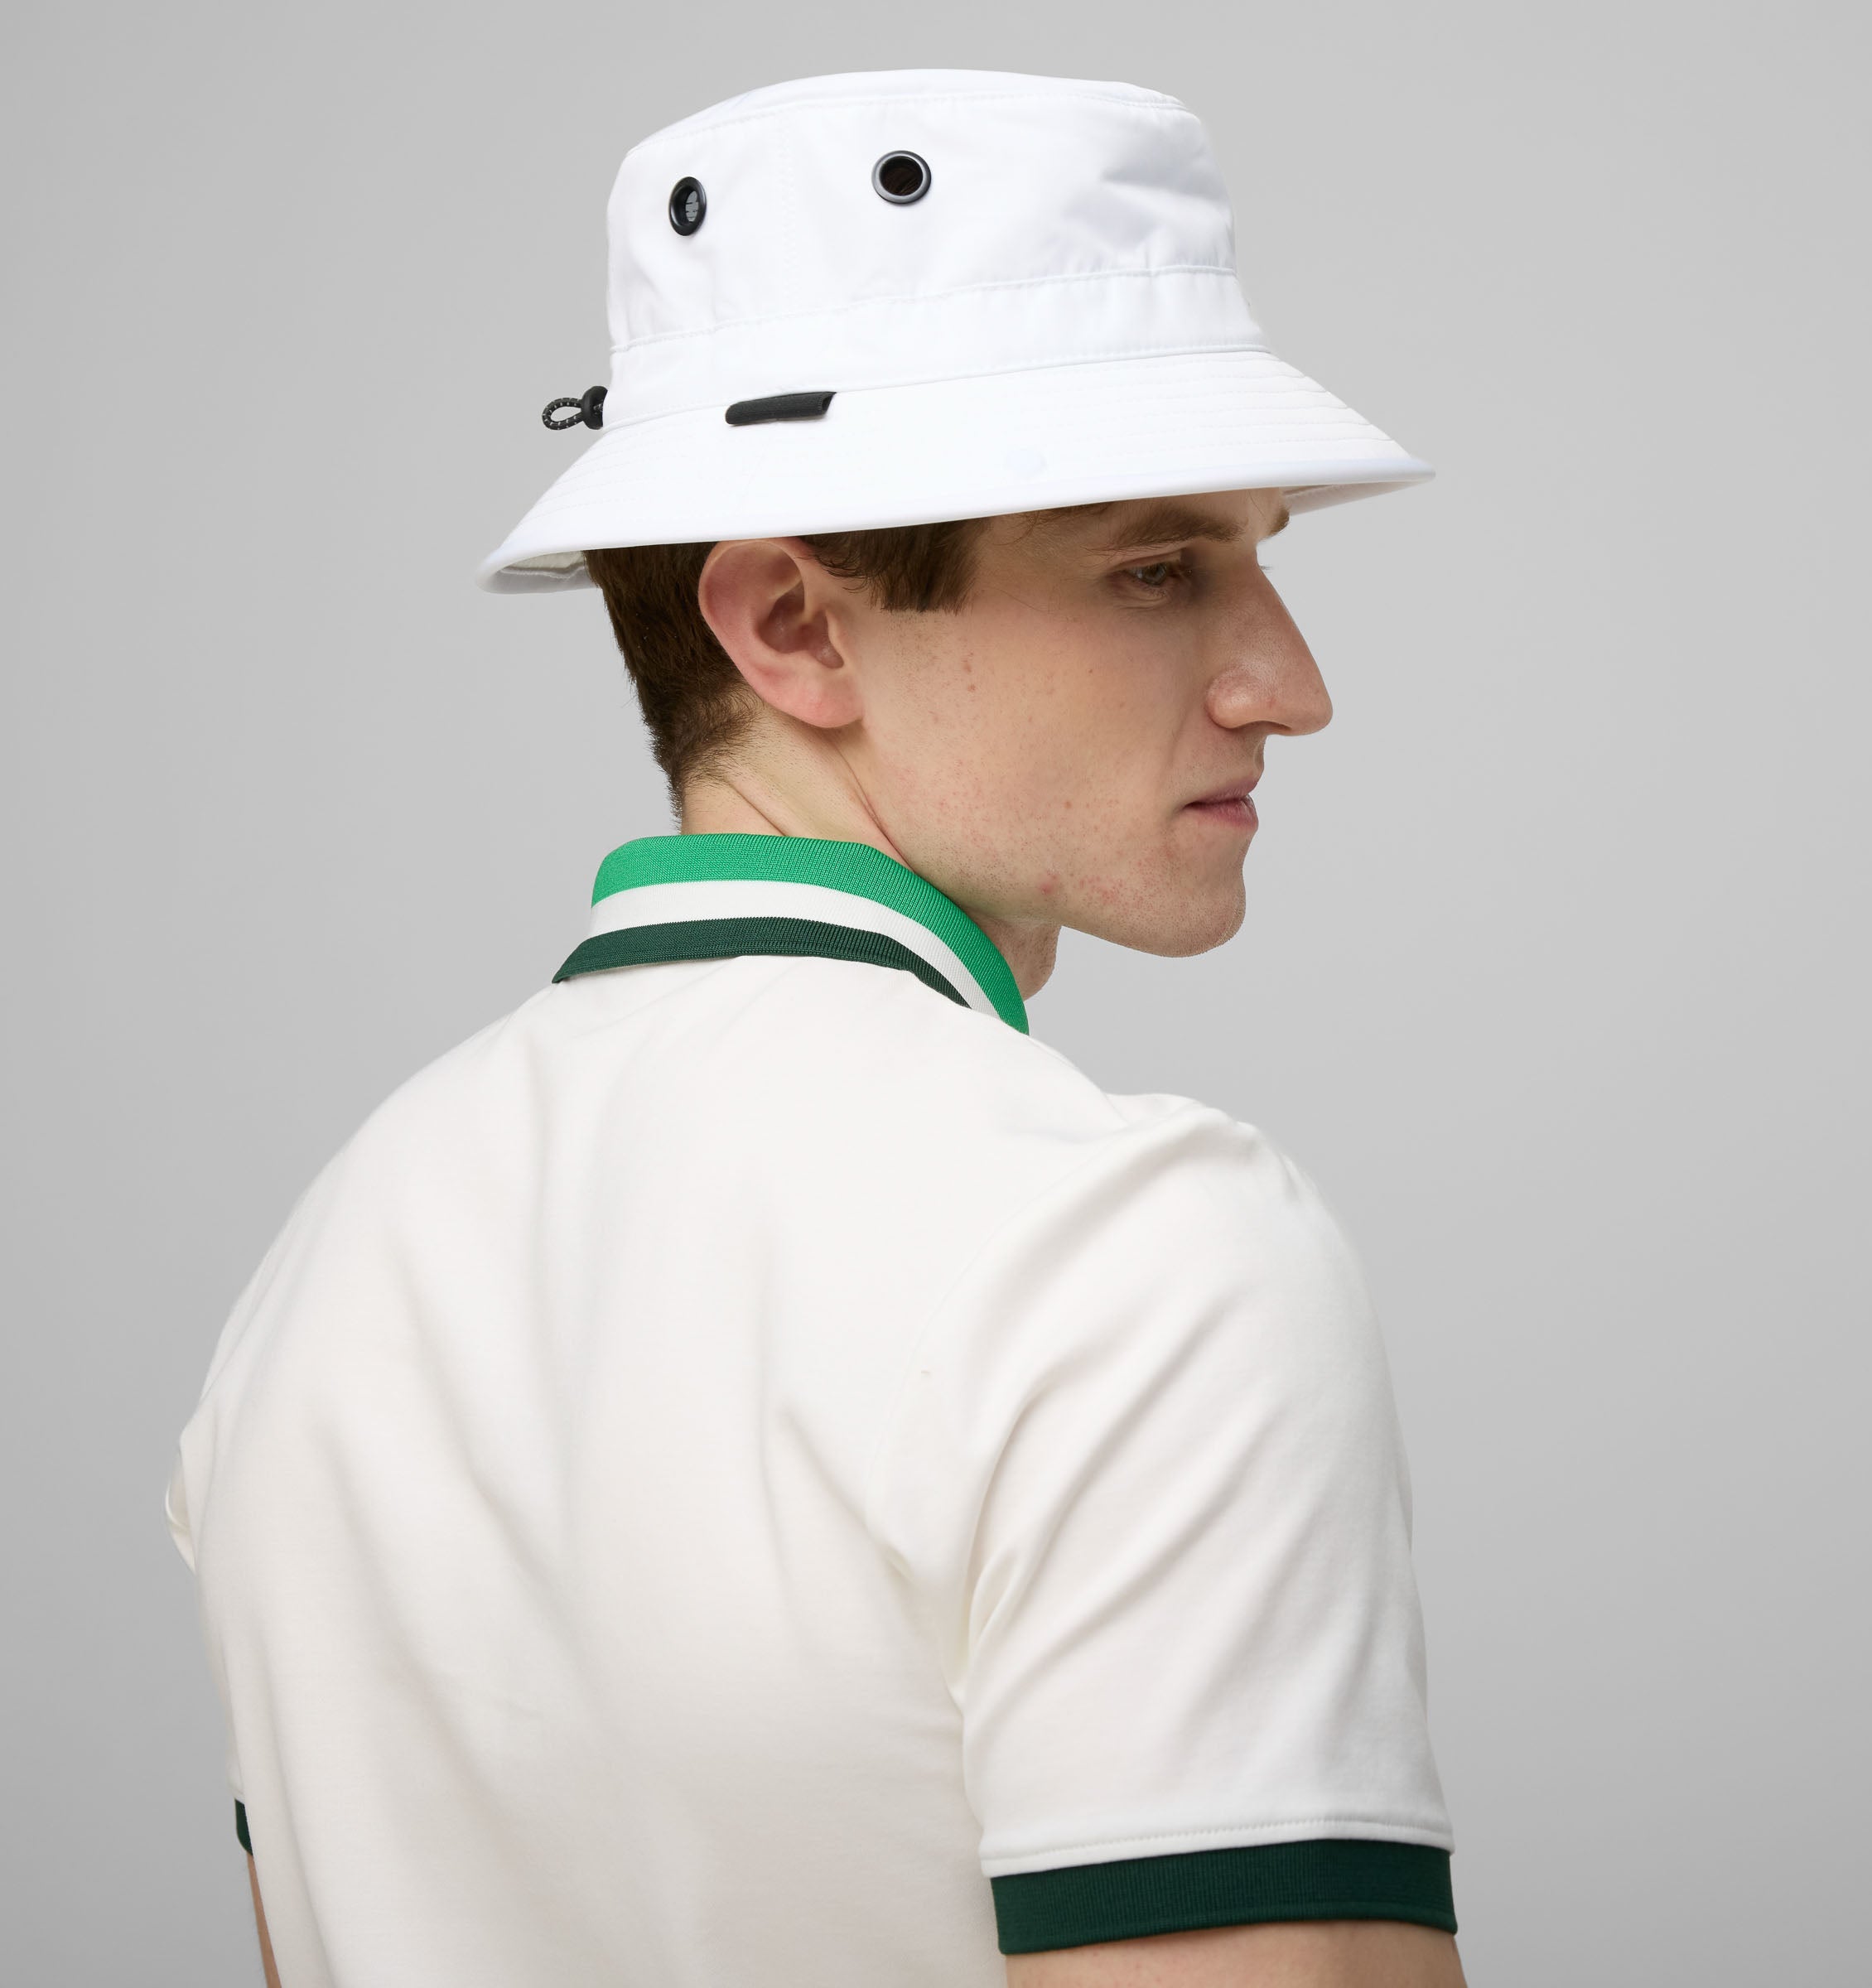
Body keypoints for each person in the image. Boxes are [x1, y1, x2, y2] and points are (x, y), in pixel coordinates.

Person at [167, 69, 1464, 1988]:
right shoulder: (1129, 1252)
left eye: (1263, 557)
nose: (1291, 682)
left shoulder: (322, 1280)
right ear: (793, 627)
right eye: (1159, 567)